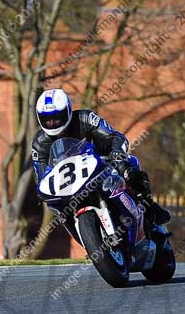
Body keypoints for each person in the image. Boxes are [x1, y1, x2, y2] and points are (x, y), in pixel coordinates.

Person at [31, 88, 171, 229]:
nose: (52, 123)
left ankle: (149, 206)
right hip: (69, 184)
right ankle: (91, 243)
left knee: (127, 166)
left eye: (56, 117)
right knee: (57, 209)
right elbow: (42, 177)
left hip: (101, 164)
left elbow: (114, 137)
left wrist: (116, 153)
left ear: (68, 110)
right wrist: (42, 193)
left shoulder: (85, 118)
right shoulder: (39, 144)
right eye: (47, 119)